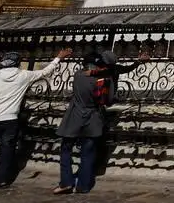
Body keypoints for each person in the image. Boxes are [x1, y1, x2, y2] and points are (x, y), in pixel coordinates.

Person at [0, 48, 71, 189]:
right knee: (6, 151)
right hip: (9, 120)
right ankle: (1, 180)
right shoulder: (23, 76)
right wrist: (58, 58)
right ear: (17, 63)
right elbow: (45, 72)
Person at [54, 49, 146, 195]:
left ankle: (66, 182)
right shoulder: (106, 80)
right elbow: (108, 101)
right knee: (88, 153)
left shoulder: (78, 76)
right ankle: (83, 186)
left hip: (74, 118)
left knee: (66, 149)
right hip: (94, 118)